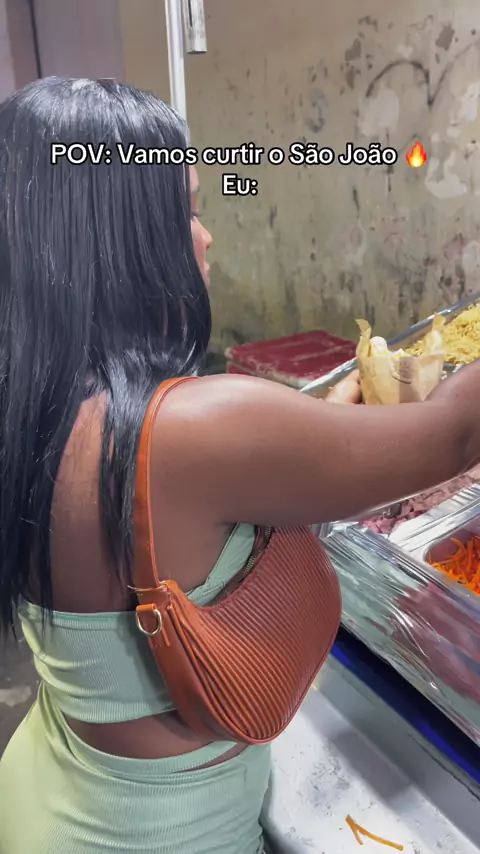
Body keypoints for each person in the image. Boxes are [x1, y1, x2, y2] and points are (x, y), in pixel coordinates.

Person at [0, 77, 480, 854]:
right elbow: (455, 436)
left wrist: (332, 418)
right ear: (122, 239)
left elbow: (253, 469)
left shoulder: (33, 403)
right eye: (187, 211)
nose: (206, 238)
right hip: (155, 837)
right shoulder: (192, 428)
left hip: (52, 783)